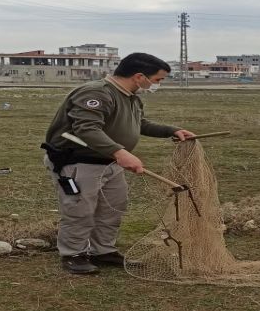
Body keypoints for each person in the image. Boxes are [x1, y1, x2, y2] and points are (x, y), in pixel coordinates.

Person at [42, 52, 195, 274]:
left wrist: (172, 131)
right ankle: (73, 254)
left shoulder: (131, 97)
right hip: (79, 162)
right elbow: (86, 128)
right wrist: (120, 153)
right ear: (139, 76)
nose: (157, 84)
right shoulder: (96, 93)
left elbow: (139, 123)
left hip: (110, 164)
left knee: (112, 208)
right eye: (158, 79)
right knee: (80, 209)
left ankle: (102, 251)